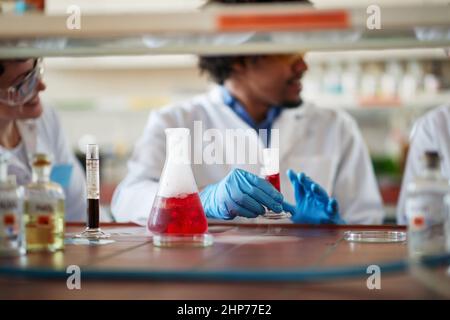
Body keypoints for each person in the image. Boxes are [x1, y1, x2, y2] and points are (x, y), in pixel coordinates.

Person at [112, 0, 384, 226]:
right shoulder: (174, 121)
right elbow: (127, 199)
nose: (303, 66)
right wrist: (201, 200)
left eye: (304, 53)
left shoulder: (336, 127)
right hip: (211, 279)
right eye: (289, 55)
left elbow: (367, 220)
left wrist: (335, 229)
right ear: (239, 58)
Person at [0, 58, 86, 221]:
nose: (41, 86)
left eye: (37, 72)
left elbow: (79, 209)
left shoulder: (47, 120)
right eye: (25, 84)